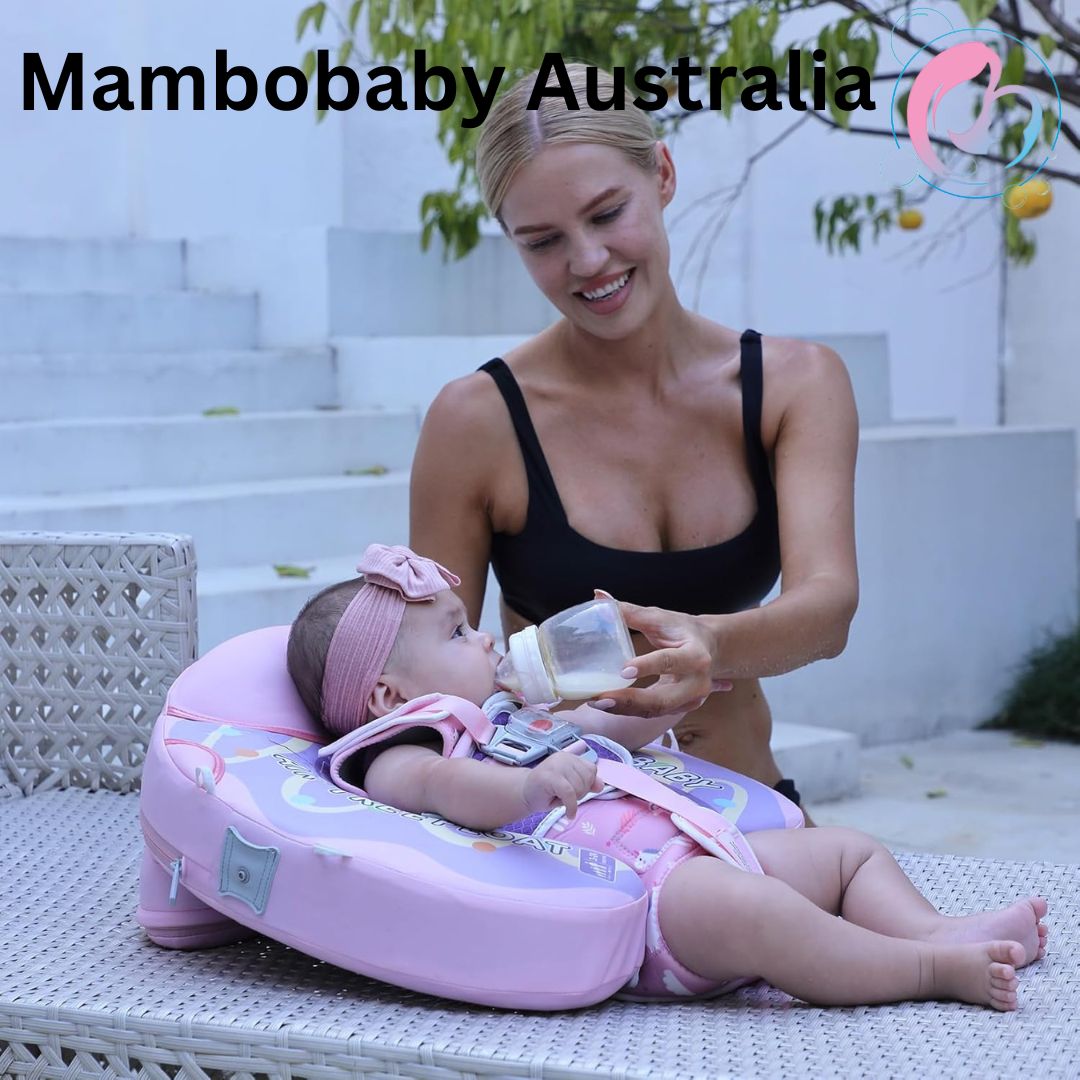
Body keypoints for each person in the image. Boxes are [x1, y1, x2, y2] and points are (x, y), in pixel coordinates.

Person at [287, 545, 1047, 1011]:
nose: (484, 635)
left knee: (849, 852)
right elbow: (446, 794)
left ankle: (944, 930)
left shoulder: (510, 716)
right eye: (456, 631)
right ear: (387, 696)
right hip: (648, 907)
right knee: (764, 917)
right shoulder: (397, 755)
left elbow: (610, 731)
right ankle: (926, 968)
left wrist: (663, 697)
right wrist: (526, 789)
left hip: (701, 852)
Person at [409, 62, 860, 816]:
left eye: (608, 213)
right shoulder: (476, 421)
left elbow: (829, 610)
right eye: (543, 241)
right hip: (570, 832)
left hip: (753, 812)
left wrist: (708, 645)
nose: (586, 261)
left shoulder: (794, 386)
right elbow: (423, 670)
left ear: (663, 174)